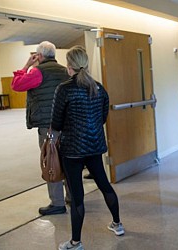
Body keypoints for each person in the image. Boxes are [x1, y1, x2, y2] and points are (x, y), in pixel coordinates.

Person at [52, 46, 124, 250]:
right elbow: (102, 117)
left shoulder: (64, 89)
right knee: (104, 185)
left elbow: (56, 123)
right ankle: (117, 224)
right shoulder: (98, 88)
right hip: (95, 146)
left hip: (72, 149)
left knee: (77, 195)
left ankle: (76, 242)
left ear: (69, 66)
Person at [11, 41, 69, 215]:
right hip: (67, 123)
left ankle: (57, 203)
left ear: (39, 56)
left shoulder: (38, 72)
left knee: (51, 161)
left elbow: (17, 85)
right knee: (67, 161)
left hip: (48, 125)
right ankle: (73, 197)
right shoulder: (65, 70)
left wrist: (27, 65)